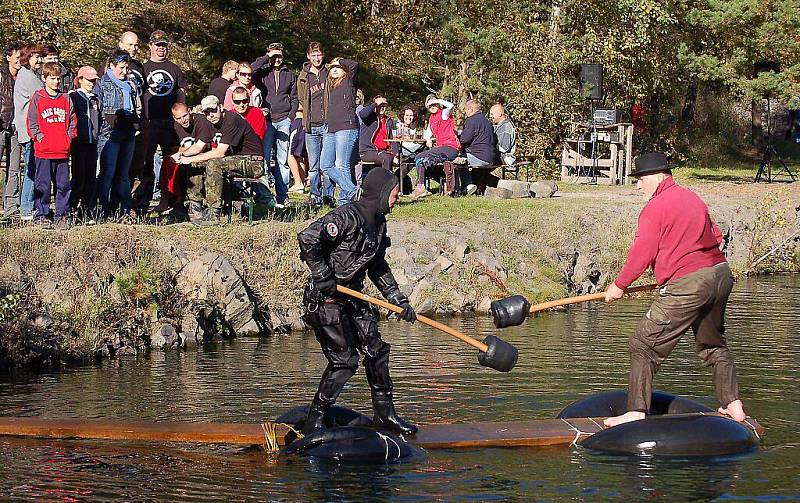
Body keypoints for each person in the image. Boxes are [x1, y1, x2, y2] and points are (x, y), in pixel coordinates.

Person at [603, 152, 747, 427]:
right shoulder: (692, 198)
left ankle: (635, 411)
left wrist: (619, 285)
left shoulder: (655, 208)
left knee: (643, 345)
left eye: (641, 179)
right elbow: (716, 236)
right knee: (712, 344)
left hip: (689, 284)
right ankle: (733, 404)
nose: (637, 185)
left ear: (658, 177)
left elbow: (641, 253)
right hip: (720, 275)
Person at [297, 167, 417, 436]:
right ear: (381, 193)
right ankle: (315, 419)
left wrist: (398, 299)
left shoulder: (379, 224)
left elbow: (377, 266)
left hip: (353, 295)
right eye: (395, 192)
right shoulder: (345, 217)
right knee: (344, 360)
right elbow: (308, 238)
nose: (398, 197)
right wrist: (321, 273)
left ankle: (385, 414)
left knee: (376, 349)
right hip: (326, 298)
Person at [172, 95, 267, 225]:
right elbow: (199, 146)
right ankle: (195, 207)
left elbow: (219, 153)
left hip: (253, 162)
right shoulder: (210, 123)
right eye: (207, 112)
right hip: (236, 160)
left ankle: (213, 212)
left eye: (213, 110)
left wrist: (190, 158)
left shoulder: (231, 119)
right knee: (196, 163)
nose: (210, 115)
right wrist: (182, 156)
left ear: (221, 107)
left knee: (214, 163)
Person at [135, 30, 187, 213]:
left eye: (164, 45)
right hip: (149, 122)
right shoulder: (143, 68)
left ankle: (174, 201)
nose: (160, 48)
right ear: (150, 46)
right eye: (157, 45)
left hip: (170, 123)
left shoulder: (174, 68)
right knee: (146, 162)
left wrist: (182, 116)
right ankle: (143, 202)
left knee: (172, 161)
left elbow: (182, 94)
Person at [27, 62, 77, 228]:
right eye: (53, 78)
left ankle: (61, 215)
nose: (56, 82)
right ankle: (41, 214)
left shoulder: (65, 98)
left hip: (62, 151)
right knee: (43, 185)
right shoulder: (38, 98)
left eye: (58, 78)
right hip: (44, 151)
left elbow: (72, 121)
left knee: (63, 185)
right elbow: (32, 123)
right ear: (44, 78)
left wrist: (69, 138)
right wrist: (40, 138)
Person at [95, 49, 141, 219]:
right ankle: (101, 209)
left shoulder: (131, 83)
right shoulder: (102, 83)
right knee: (107, 173)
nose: (124, 71)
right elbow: (98, 109)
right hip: (110, 134)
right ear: (111, 65)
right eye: (121, 67)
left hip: (128, 132)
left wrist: (136, 122)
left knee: (124, 173)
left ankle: (123, 209)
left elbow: (136, 106)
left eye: (126, 67)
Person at [253, 41, 298, 206]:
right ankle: (264, 196)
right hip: (266, 120)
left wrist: (291, 116)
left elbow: (294, 97)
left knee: (282, 160)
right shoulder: (263, 72)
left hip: (283, 119)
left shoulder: (289, 74)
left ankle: (282, 195)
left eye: (279, 55)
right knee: (264, 158)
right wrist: (267, 57)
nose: (277, 59)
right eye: (274, 55)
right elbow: (251, 69)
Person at [297, 41, 333, 205]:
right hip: (311, 125)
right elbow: (301, 98)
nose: (317, 58)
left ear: (323, 55)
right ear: (308, 56)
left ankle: (328, 195)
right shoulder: (304, 76)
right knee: (313, 164)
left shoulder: (329, 72)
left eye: (319, 55)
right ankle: (314, 195)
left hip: (327, 124)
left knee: (327, 163)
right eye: (314, 55)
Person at [321, 57, 360, 206]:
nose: (335, 69)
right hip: (331, 129)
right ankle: (352, 191)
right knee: (325, 165)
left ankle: (345, 201)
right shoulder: (332, 86)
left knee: (342, 165)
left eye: (338, 67)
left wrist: (339, 60)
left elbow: (354, 64)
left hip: (346, 128)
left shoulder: (349, 81)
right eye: (332, 67)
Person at [13, 43, 44, 221]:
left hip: (27, 129)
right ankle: (26, 207)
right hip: (30, 131)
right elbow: (44, 96)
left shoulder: (28, 75)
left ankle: (27, 206)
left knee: (31, 169)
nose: (38, 60)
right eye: (35, 57)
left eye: (39, 56)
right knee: (32, 169)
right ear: (27, 58)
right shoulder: (30, 77)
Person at [411, 94, 460, 198]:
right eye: (430, 105)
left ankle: (421, 187)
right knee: (422, 160)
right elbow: (427, 133)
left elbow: (450, 105)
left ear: (439, 104)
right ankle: (426, 185)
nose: (432, 106)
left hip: (450, 147)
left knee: (420, 158)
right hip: (441, 148)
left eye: (434, 104)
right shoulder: (431, 119)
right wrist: (428, 139)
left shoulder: (444, 114)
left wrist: (436, 100)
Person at [69, 66, 102, 219]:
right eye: (89, 80)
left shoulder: (96, 99)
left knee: (91, 177)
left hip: (93, 142)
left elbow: (100, 119)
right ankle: (71, 208)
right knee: (78, 177)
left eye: (94, 80)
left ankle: (86, 210)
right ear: (80, 79)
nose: (92, 83)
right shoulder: (73, 97)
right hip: (78, 142)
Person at [1, 42, 22, 221]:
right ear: (8, 57)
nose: (19, 61)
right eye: (16, 58)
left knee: (14, 169)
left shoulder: (24, 77)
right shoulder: (1, 76)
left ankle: (11, 209)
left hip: (17, 128)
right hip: (1, 124)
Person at [458, 99, 497, 195]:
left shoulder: (471, 120)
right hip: (491, 157)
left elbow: (464, 140)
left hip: (479, 156)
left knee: (458, 161)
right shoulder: (486, 121)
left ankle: (467, 186)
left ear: (470, 109)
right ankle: (474, 185)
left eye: (465, 109)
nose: (465, 112)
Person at [358, 95, 397, 173]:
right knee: (387, 157)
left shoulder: (389, 120)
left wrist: (396, 154)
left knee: (406, 161)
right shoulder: (369, 117)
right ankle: (386, 183)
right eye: (380, 105)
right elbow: (362, 114)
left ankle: (396, 180)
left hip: (385, 151)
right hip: (368, 151)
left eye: (384, 105)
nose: (382, 107)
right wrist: (375, 104)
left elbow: (393, 139)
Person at [287, 105, 307, 193]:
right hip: (301, 121)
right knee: (299, 156)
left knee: (289, 154)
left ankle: (298, 182)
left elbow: (302, 105)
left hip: (297, 121)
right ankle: (301, 183)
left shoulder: (298, 93)